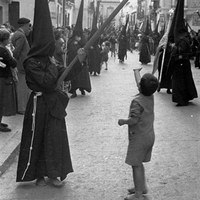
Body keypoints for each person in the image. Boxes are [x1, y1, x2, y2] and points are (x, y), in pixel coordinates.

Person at [16, 0, 86, 187]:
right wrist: (55, 68)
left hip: (52, 105)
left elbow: (65, 73)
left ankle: (53, 174)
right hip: (39, 105)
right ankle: (38, 173)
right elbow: (47, 82)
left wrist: (78, 61)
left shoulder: (49, 61)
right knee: (38, 138)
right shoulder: (31, 63)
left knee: (54, 139)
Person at [118, 68, 158, 200]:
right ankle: (141, 187)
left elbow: (134, 120)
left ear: (140, 87)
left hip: (139, 139)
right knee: (139, 163)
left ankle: (138, 195)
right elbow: (141, 85)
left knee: (136, 165)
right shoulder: (149, 96)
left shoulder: (137, 102)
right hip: (149, 136)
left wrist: (123, 121)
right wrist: (136, 72)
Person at [11, 17, 32, 114]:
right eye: (28, 26)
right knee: (22, 88)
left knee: (22, 87)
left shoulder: (17, 34)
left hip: (20, 65)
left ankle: (21, 106)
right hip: (22, 66)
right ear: (24, 26)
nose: (29, 29)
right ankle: (22, 108)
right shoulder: (21, 36)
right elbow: (17, 52)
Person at [0, 28, 17, 132]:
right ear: (4, 39)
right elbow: (13, 63)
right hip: (3, 79)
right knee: (2, 101)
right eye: (8, 38)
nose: (9, 40)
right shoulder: (4, 50)